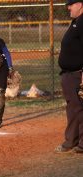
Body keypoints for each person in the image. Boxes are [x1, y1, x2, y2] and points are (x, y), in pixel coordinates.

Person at [55, 0, 83, 153]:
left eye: (71, 4)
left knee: (78, 109)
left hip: (77, 74)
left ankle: (79, 144)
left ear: (80, 4)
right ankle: (71, 141)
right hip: (69, 74)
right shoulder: (76, 22)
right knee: (73, 108)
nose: (68, 7)